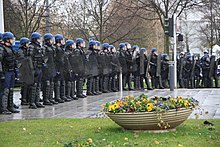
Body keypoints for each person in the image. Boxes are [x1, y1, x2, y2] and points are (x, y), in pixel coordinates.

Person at [0, 32, 20, 114]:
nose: (13, 40)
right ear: (7, 39)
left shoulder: (11, 49)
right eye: (11, 39)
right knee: (5, 90)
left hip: (11, 71)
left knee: (11, 90)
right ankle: (3, 108)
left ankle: (10, 106)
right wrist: (1, 74)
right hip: (6, 72)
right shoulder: (2, 49)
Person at [28, 32, 45, 109]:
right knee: (33, 86)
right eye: (38, 38)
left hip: (39, 68)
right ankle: (32, 102)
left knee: (38, 85)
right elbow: (29, 59)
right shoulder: (31, 46)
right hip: (34, 69)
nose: (40, 40)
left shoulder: (39, 47)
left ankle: (37, 101)